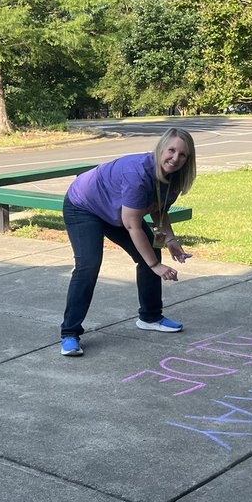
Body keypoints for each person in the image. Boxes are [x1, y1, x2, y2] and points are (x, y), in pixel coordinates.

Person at [59, 127, 197, 357]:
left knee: (153, 250)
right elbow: (132, 224)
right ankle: (70, 334)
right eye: (171, 150)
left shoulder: (174, 177)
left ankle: (150, 317)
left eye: (182, 155)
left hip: (117, 210)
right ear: (161, 148)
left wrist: (170, 240)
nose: (175, 158)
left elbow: (159, 211)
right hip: (84, 206)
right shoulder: (139, 173)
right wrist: (155, 266)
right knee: (89, 266)